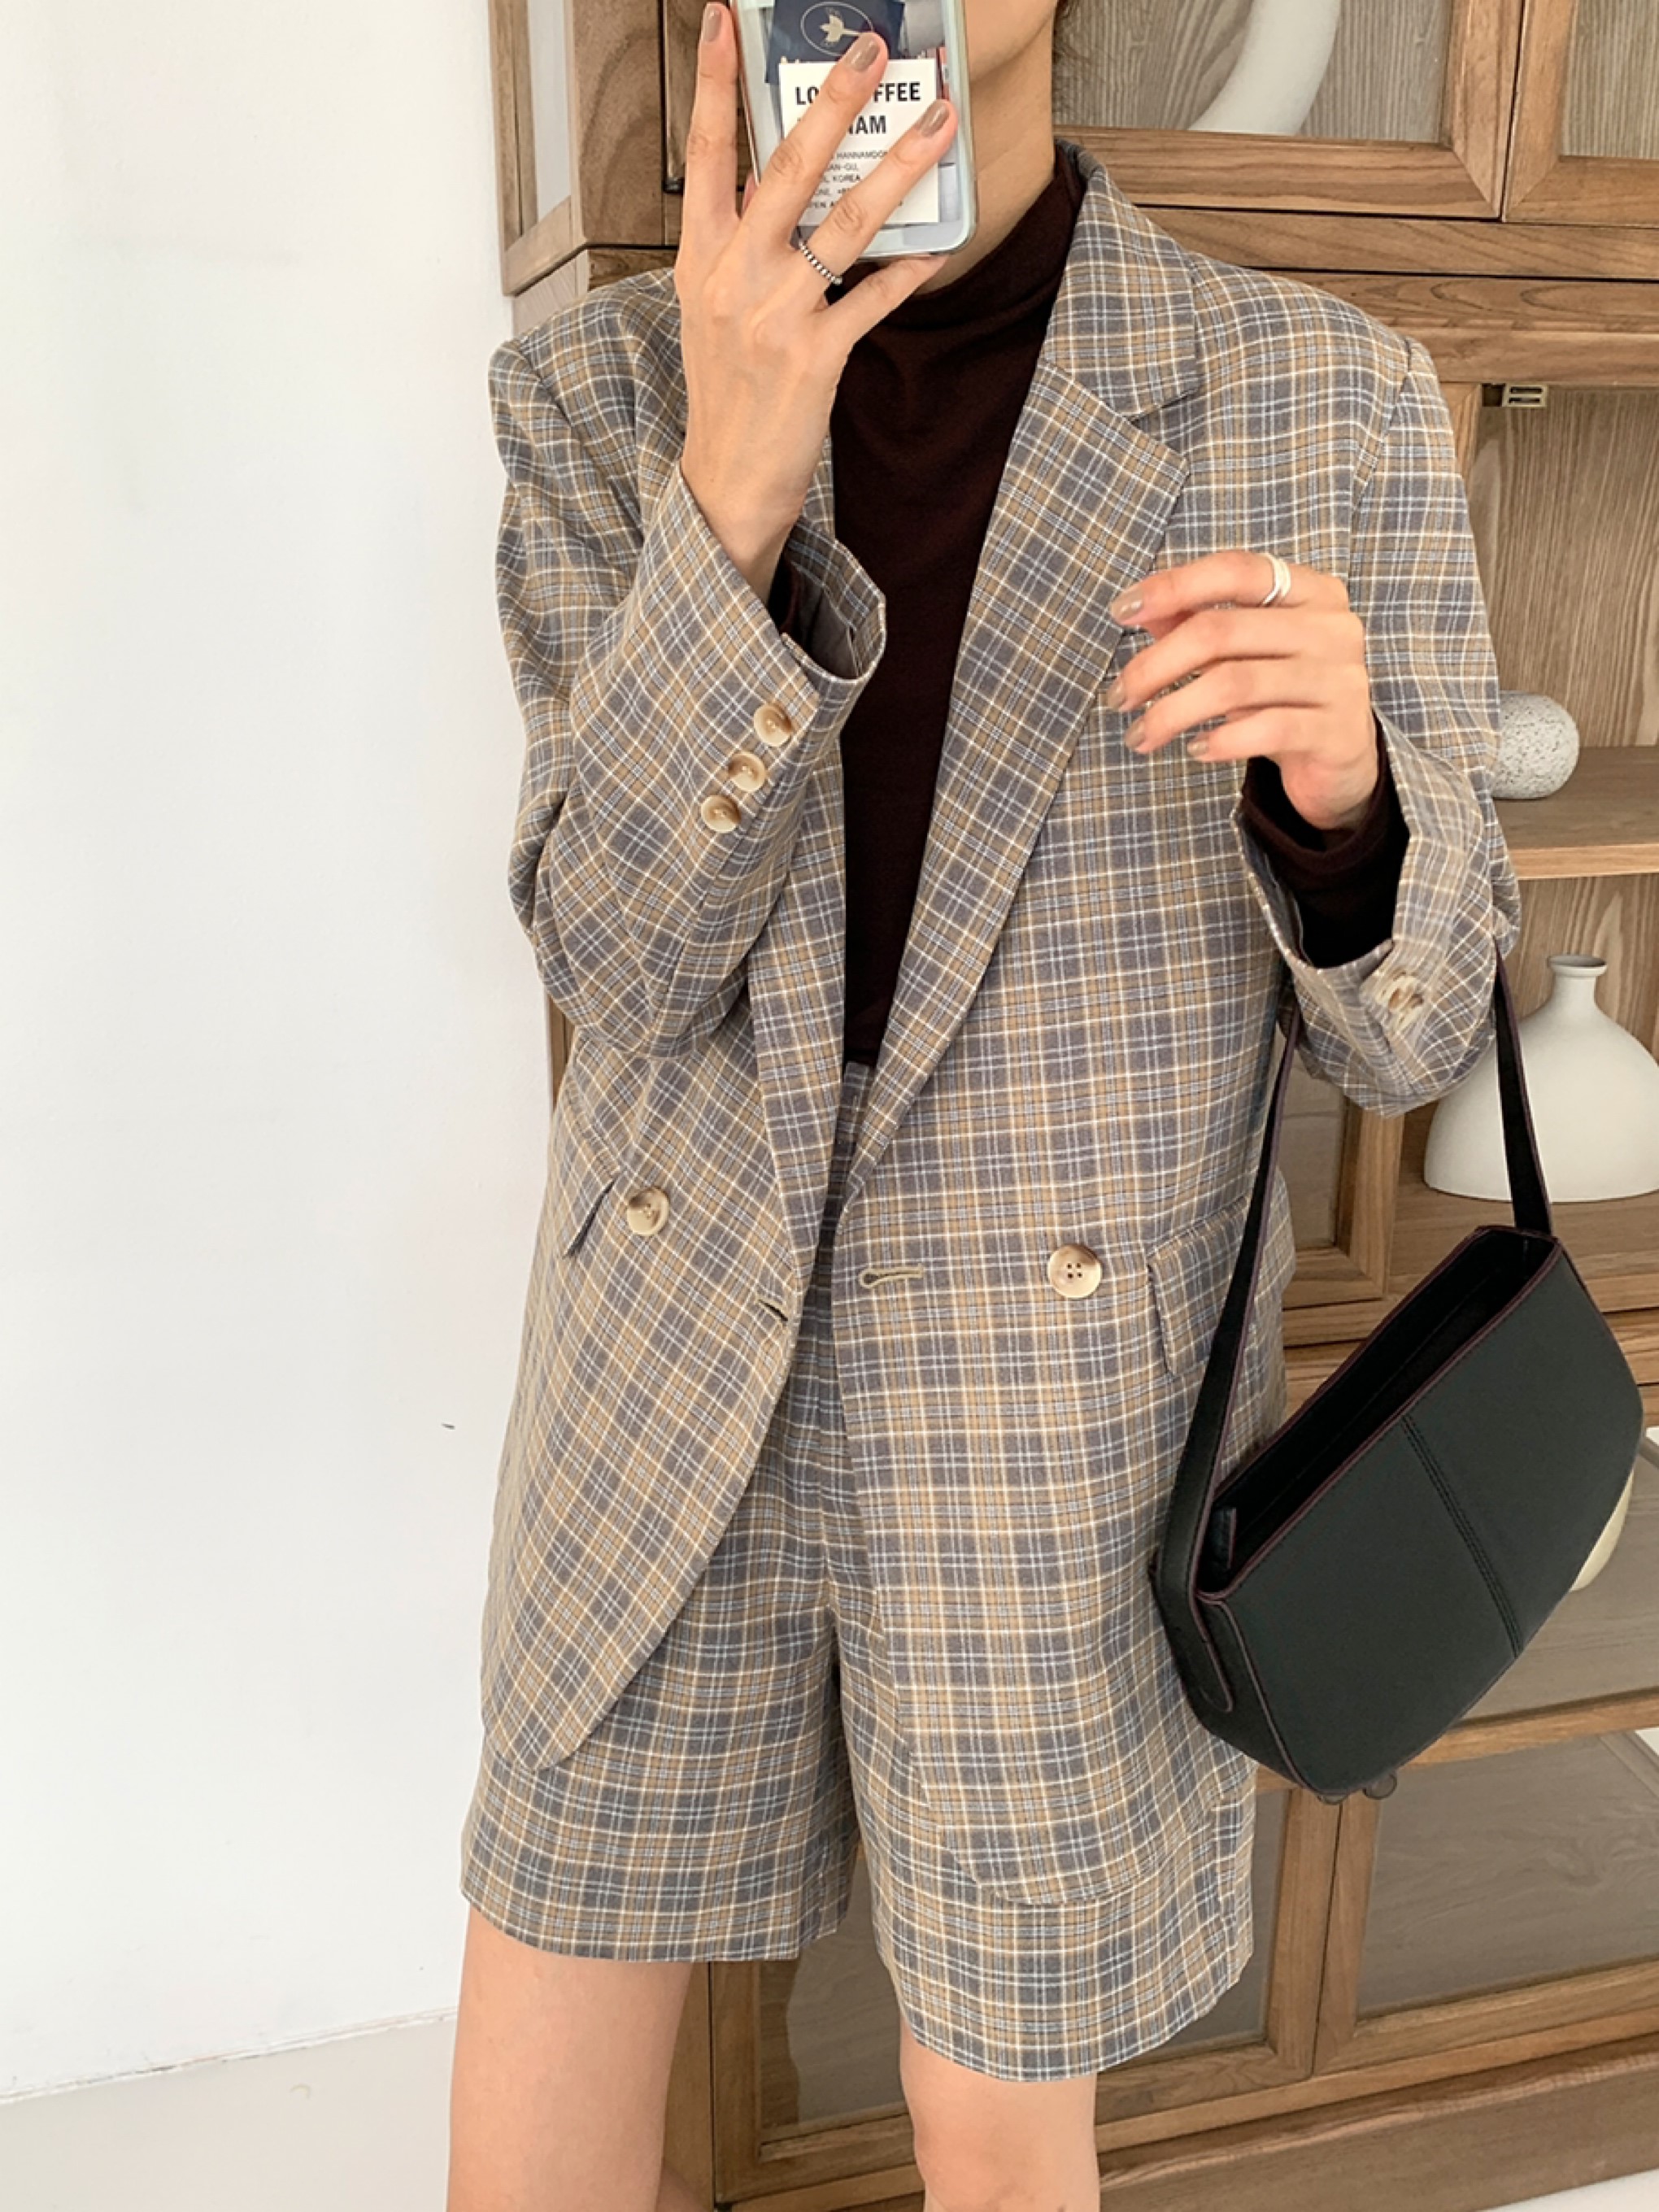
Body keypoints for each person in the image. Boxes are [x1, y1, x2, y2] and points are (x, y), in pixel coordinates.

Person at [446, 3, 1522, 2207]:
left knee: (1002, 2144)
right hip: (660, 1385)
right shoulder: (604, 395)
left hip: (1059, 1434)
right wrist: (732, 489)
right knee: (536, 2123)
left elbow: (1412, 1040)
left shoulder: (1317, 396)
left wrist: (1349, 804)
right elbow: (617, 966)